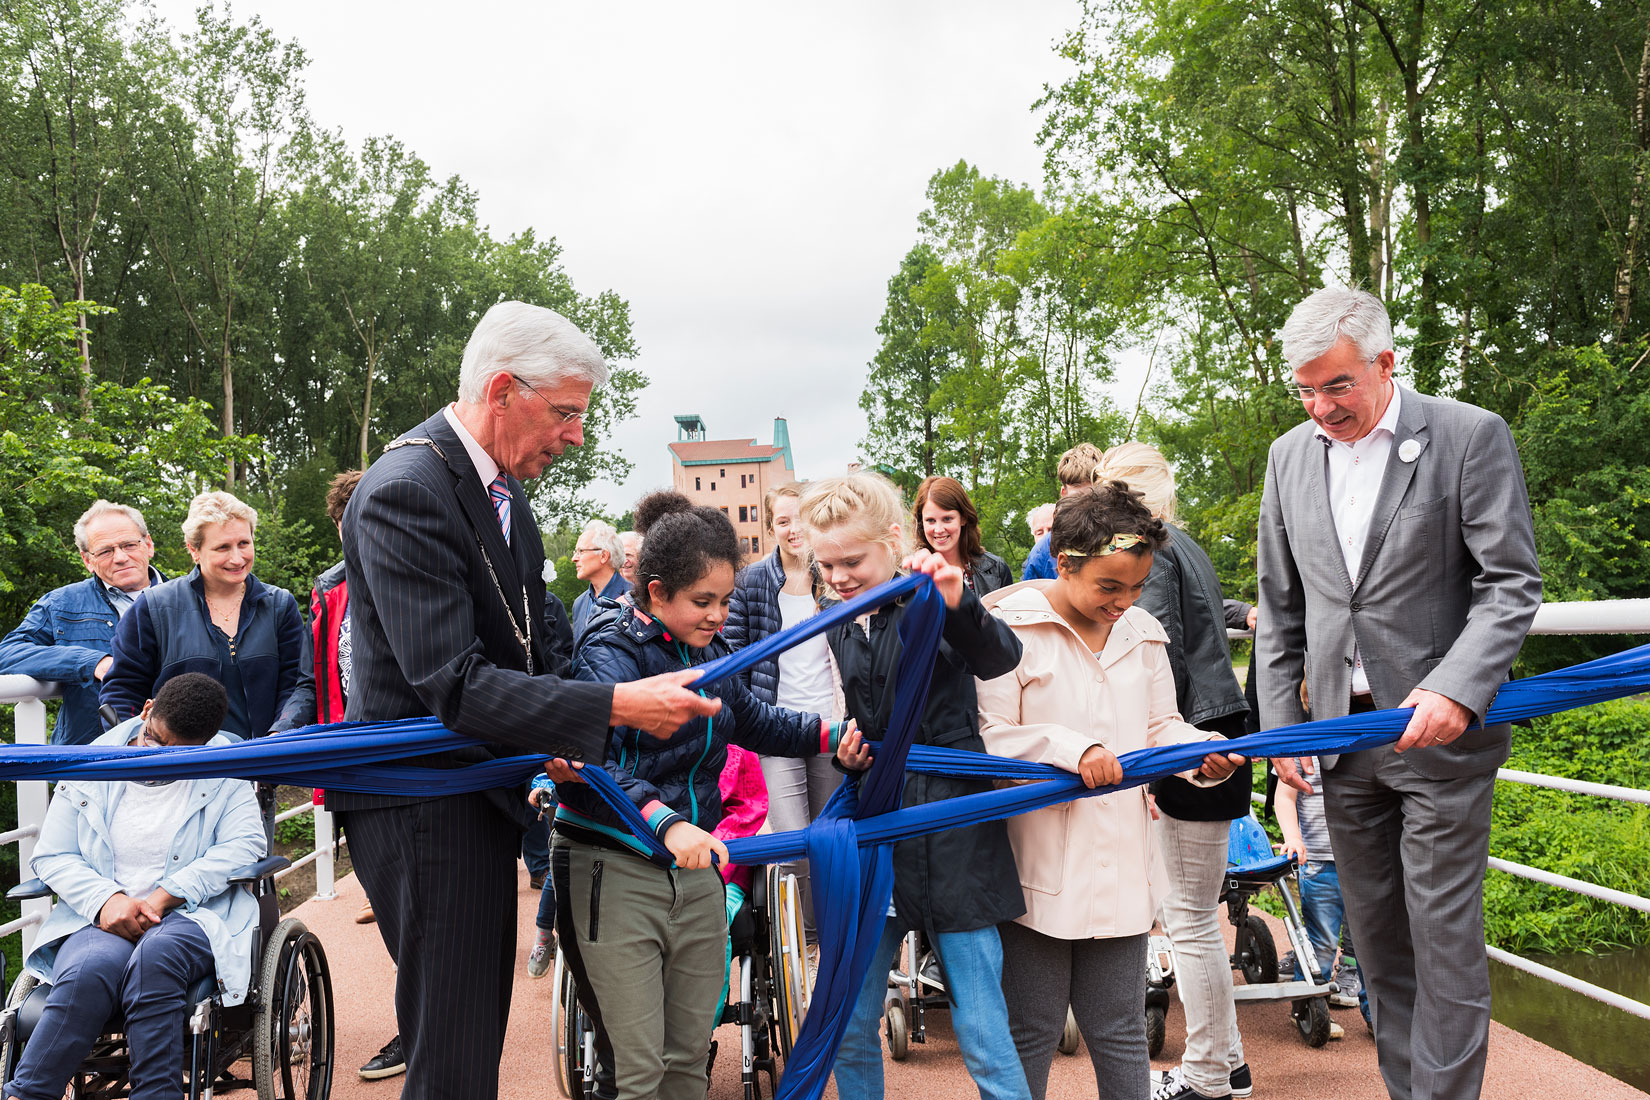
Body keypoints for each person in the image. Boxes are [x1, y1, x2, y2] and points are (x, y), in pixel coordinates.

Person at [336, 300, 717, 1100]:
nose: (577, 435)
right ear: (504, 389)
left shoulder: (498, 492)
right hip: (424, 807)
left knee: (467, 1046)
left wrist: (570, 735)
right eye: (568, 412)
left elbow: (531, 651)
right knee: (453, 1057)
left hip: (470, 796)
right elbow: (453, 683)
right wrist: (614, 706)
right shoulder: (407, 489)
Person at [1256, 286, 1542, 1100]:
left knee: (1443, 941)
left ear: (1386, 363)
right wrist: (1285, 733)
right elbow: (1279, 610)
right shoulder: (1288, 457)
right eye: (1304, 390)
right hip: (1338, 745)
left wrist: (1457, 687)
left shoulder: (1467, 436)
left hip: (1440, 740)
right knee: (1378, 947)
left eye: (1337, 385)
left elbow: (1511, 584)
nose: (1321, 408)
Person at [554, 491, 868, 1100]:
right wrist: (667, 822)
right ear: (655, 591)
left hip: (697, 866)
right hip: (617, 865)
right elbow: (592, 762)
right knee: (639, 1073)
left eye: (725, 600)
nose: (719, 615)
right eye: (703, 602)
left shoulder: (714, 651)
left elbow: (755, 720)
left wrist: (836, 735)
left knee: (689, 1060)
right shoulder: (607, 652)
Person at [977, 484, 1245, 1100]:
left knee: (1121, 1029)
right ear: (1064, 562)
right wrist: (1075, 751)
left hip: (1123, 863)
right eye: (1109, 587)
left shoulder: (1143, 632)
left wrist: (1199, 755)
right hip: (1035, 870)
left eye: (1136, 587)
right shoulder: (1006, 629)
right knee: (1031, 1029)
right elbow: (990, 739)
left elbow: (1159, 729)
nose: (1124, 602)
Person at [803, 472, 1031, 1100]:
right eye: (825, 565)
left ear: (894, 540)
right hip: (878, 822)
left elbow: (1000, 658)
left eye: (852, 560)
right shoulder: (840, 620)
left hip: (954, 823)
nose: (840, 576)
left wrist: (959, 601)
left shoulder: (932, 597)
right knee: (849, 1022)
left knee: (983, 1028)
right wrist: (851, 753)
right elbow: (865, 712)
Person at [11, 673, 265, 1100]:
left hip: (192, 914)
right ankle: (28, 1095)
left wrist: (167, 894)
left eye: (179, 754)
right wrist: (106, 900)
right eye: (155, 740)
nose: (161, 758)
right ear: (146, 710)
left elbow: (245, 845)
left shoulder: (227, 764)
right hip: (102, 917)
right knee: (88, 970)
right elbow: (53, 853)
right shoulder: (93, 760)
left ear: (203, 745)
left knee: (157, 958)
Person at [1091, 443, 1254, 1100]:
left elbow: (1151, 662)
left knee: (1188, 917)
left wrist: (1156, 765)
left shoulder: (1145, 557)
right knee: (1189, 911)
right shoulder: (1184, 545)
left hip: (1193, 746)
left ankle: (1213, 1077)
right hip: (1212, 733)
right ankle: (1229, 1061)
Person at [724, 482, 840, 935]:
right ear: (771, 526)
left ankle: (824, 938)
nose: (794, 529)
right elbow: (733, 652)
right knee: (793, 844)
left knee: (828, 841)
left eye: (801, 519)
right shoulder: (753, 581)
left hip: (828, 725)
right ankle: (800, 946)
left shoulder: (833, 577)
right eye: (784, 520)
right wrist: (749, 714)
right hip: (774, 730)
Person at [100, 492, 309, 739]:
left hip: (263, 763)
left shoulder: (279, 606)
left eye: (244, 543)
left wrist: (280, 735)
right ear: (194, 550)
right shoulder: (153, 608)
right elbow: (122, 691)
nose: (237, 558)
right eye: (222, 547)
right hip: (182, 767)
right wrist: (140, 746)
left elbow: (297, 685)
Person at [0, 501, 164, 745]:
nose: (120, 557)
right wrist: (91, 663)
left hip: (180, 751)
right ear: (87, 560)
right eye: (105, 551)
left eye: (129, 545)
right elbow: (8, 653)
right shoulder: (61, 604)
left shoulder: (188, 599)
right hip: (90, 762)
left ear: (148, 545)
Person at [1275, 755, 1370, 1024]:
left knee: (1373, 942)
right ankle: (1307, 1011)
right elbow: (1284, 797)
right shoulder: (1302, 747)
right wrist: (1293, 838)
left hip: (1367, 862)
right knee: (1322, 944)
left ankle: (1380, 1017)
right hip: (1319, 860)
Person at [912, 476, 1013, 595]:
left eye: (947, 519)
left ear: (963, 518)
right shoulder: (909, 574)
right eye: (930, 520)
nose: (938, 530)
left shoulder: (997, 569)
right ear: (921, 523)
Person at [1020, 442, 1106, 580]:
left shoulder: (1125, 540)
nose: (1087, 506)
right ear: (1064, 494)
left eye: (1093, 497)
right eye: (1078, 498)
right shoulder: (1043, 552)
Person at [571, 518, 632, 640]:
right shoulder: (579, 603)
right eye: (575, 551)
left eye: (581, 551)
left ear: (603, 556)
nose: (574, 558)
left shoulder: (635, 598)